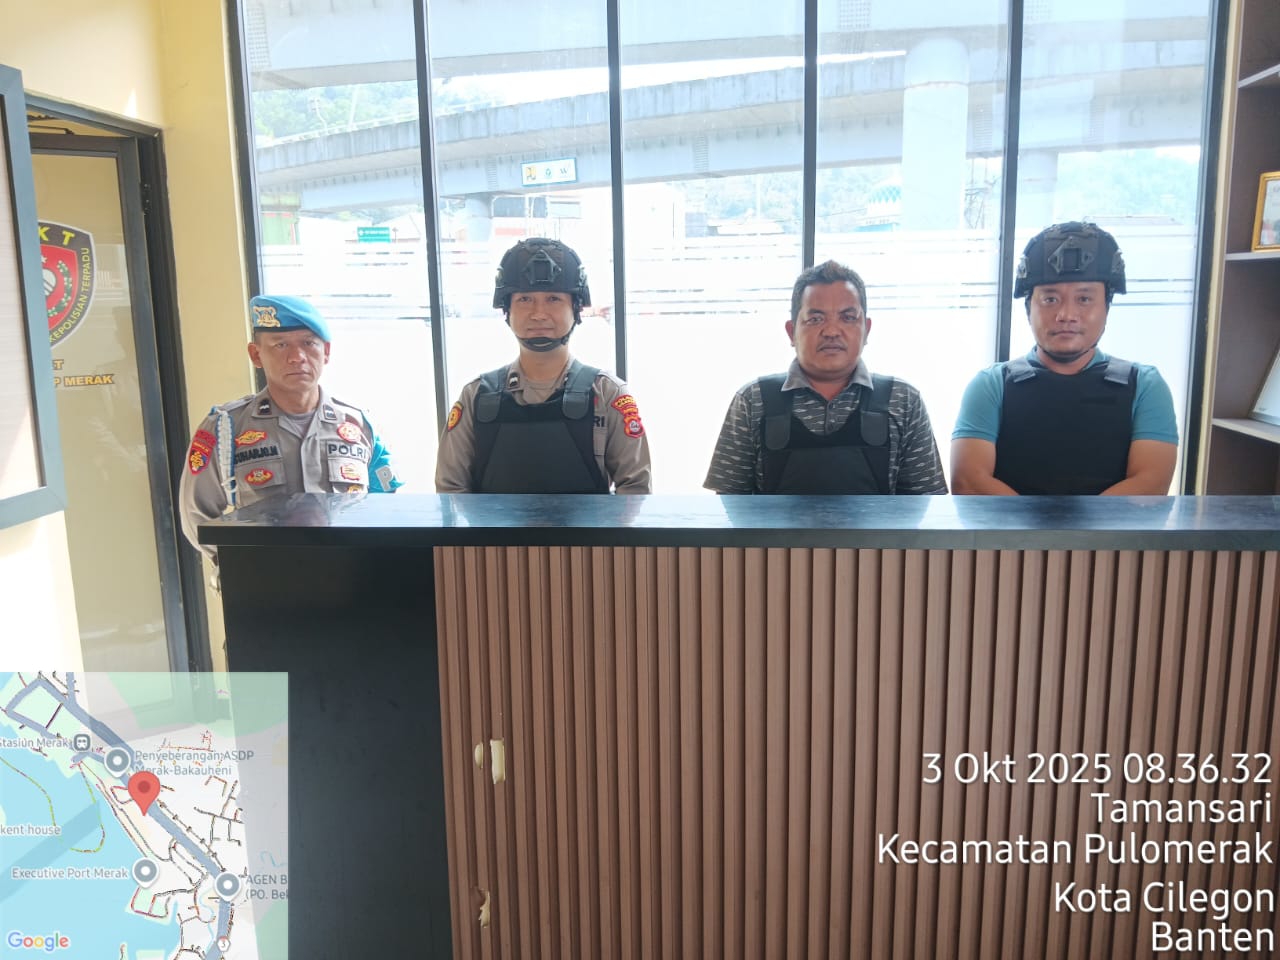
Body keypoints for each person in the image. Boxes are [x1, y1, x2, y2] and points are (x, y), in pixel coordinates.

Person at [950, 222, 1178, 495]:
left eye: (1084, 299)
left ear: (1106, 307)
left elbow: (1150, 484)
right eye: (1050, 300)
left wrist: (1071, 526)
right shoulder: (991, 384)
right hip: (1008, 527)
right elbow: (969, 482)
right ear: (1028, 307)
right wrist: (1037, 526)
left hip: (1110, 527)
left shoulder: (1145, 385)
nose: (1066, 315)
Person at [179, 294, 401, 558]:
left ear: (326, 351)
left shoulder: (358, 425)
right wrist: (239, 567)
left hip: (351, 574)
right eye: (281, 344)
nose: (297, 357)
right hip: (265, 578)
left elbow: (387, 505)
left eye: (309, 343)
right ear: (256, 354)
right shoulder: (225, 429)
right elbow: (196, 516)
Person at [704, 259, 947, 495]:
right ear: (791, 331)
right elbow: (729, 508)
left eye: (848, 317)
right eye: (816, 319)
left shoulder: (903, 400)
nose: (831, 331)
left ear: (867, 329)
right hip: (775, 528)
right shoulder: (753, 400)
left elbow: (925, 508)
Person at [435, 237, 651, 493]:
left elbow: (635, 491)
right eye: (525, 299)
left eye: (553, 299)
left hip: (589, 524)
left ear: (576, 308)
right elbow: (450, 491)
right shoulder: (477, 397)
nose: (538, 313)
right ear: (507, 310)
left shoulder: (607, 394)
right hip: (491, 523)